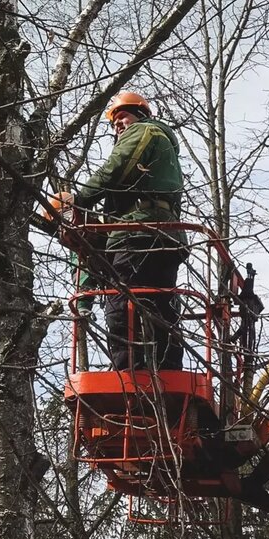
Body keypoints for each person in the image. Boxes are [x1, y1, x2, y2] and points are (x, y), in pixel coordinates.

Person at [71, 91, 188, 371]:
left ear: (141, 114)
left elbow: (114, 170)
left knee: (122, 301)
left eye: (122, 117)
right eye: (114, 124)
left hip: (139, 233)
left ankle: (128, 371)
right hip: (163, 234)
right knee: (161, 303)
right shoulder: (161, 155)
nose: (118, 125)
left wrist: (77, 200)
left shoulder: (145, 131)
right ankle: (168, 369)